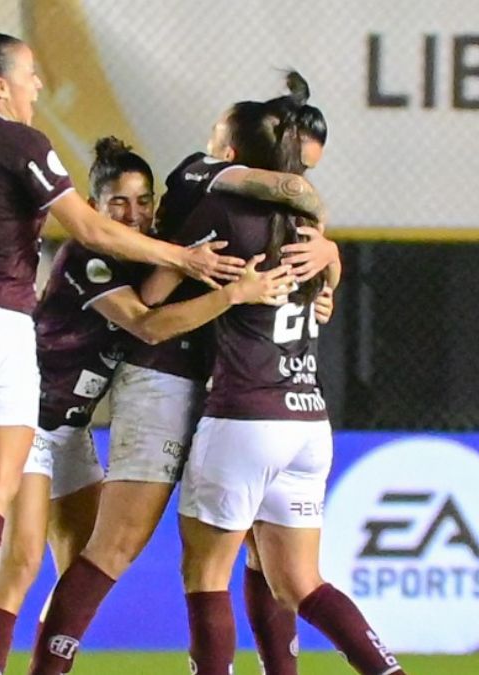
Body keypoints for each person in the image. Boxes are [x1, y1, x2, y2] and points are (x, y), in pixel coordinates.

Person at [0, 26, 245, 672]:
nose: (39, 85)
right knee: (13, 535)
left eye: (142, 202)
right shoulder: (28, 150)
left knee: (64, 554)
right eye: (30, 75)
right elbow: (106, 257)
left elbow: (143, 280)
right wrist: (189, 260)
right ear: (1, 84)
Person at [29, 75, 341, 675]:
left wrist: (329, 260)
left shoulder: (271, 220)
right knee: (117, 545)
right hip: (164, 379)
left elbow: (309, 264)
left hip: (230, 393)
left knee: (261, 553)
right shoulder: (204, 177)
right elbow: (149, 312)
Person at [0, 137, 294, 675]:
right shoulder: (89, 256)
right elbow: (147, 323)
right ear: (93, 206)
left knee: (80, 564)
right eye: (118, 202)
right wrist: (233, 293)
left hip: (70, 430)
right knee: (23, 558)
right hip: (28, 418)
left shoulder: (150, 255)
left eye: (143, 201)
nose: (133, 214)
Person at [138, 78, 403, 675]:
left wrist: (182, 265)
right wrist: (332, 262)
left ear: (236, 154)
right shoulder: (308, 228)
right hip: (307, 420)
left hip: (243, 415)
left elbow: (151, 299)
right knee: (300, 581)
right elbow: (324, 284)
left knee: (206, 575)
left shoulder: (219, 208)